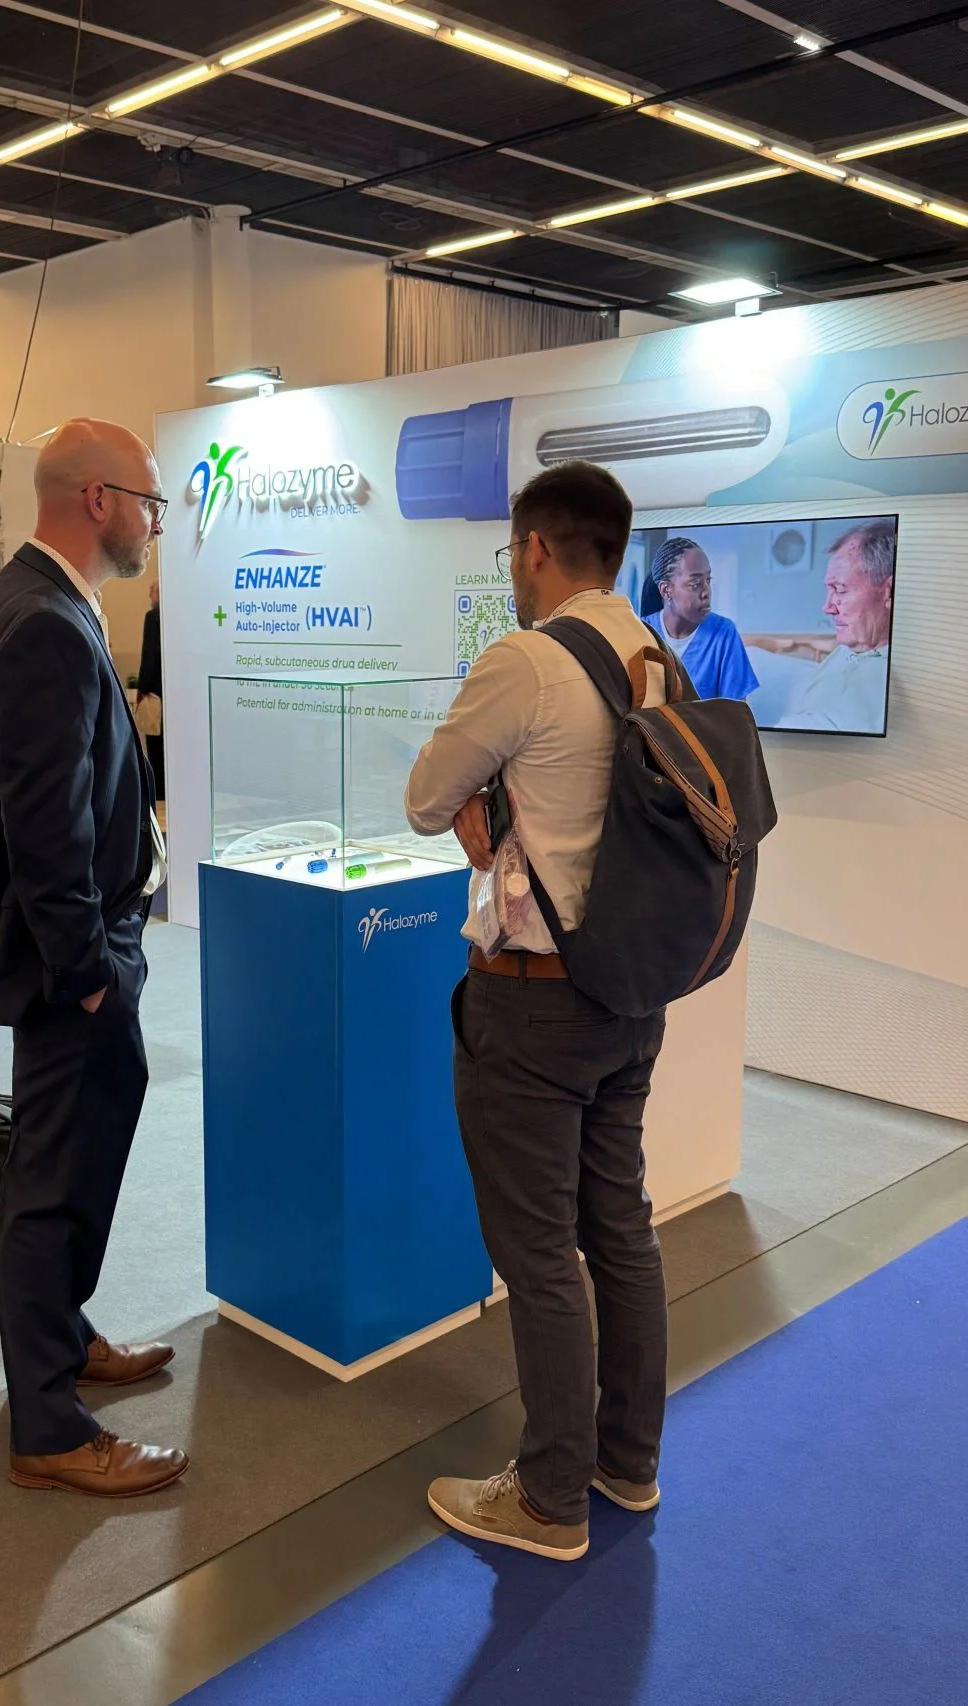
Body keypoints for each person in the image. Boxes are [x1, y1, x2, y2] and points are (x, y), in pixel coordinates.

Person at [406, 461, 669, 1563]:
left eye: (512, 553)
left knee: (539, 1254)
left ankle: (551, 1498)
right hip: (630, 995)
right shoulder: (654, 657)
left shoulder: (525, 660)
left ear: (534, 550)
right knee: (620, 1229)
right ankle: (626, 1462)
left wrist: (483, 797)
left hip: (532, 1005)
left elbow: (424, 797)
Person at [0, 418, 189, 1497]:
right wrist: (87, 974)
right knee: (54, 1179)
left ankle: (61, 1339)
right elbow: (43, 822)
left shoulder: (36, 600)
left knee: (75, 1155)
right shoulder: (43, 623)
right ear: (100, 499)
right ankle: (51, 1427)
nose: (158, 521)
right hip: (74, 960)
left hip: (86, 945)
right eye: (151, 500)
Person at [778, 520, 895, 733]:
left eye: (840, 590)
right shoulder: (850, 647)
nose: (827, 607)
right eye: (829, 590)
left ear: (889, 592)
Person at [641, 537, 759, 701]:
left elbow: (735, 711)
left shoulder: (723, 634)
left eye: (708, 580)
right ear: (666, 590)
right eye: (695, 584)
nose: (706, 592)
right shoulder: (641, 631)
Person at [137, 579, 165, 802]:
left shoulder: (154, 617)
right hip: (178, 692)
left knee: (155, 743)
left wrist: (142, 688)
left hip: (156, 692)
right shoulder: (181, 616)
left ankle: (160, 790)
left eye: (152, 591)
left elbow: (150, 656)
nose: (149, 595)